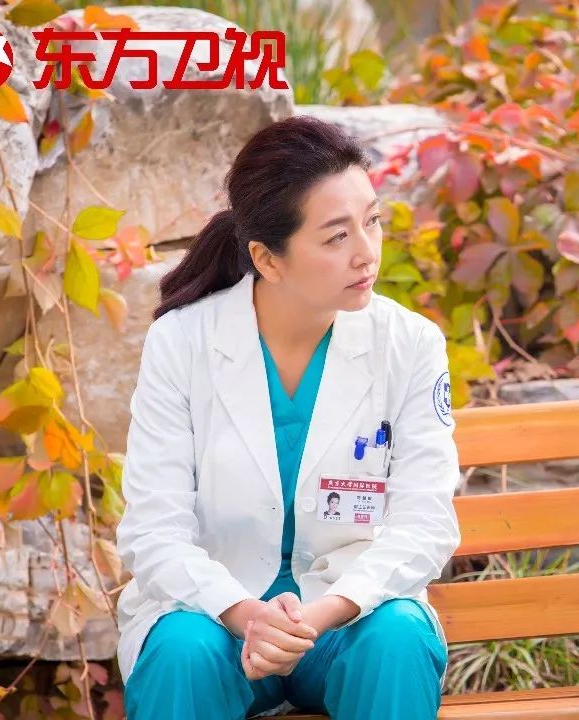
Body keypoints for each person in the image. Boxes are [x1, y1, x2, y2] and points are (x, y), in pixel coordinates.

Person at [116, 116, 461, 720]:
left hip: (345, 616)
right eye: (336, 237)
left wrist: (323, 614)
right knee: (181, 651)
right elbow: (154, 531)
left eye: (372, 221)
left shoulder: (410, 344)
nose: (366, 252)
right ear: (267, 260)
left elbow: (425, 523)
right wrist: (244, 614)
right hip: (218, 618)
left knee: (397, 637)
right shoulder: (183, 343)